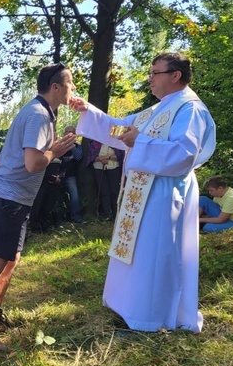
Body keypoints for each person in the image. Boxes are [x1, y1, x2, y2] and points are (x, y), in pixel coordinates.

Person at [71, 52, 216, 333]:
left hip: (166, 192)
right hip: (143, 192)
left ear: (175, 76)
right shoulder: (157, 109)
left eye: (155, 73)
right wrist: (87, 110)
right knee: (138, 249)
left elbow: (185, 154)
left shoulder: (190, 109)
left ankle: (154, 316)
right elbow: (121, 126)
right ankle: (131, 306)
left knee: (158, 250)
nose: (149, 78)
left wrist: (143, 140)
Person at [0, 63, 78, 351]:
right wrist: (56, 151)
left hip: (13, 198)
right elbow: (33, 163)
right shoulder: (39, 115)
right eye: (71, 83)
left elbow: (37, 151)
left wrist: (56, 145)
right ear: (56, 87)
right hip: (8, 199)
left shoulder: (42, 113)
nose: (73, 89)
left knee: (10, 258)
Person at [87, 139, 125, 220]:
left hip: (114, 167)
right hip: (99, 167)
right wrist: (101, 159)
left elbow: (120, 155)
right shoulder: (95, 141)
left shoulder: (116, 141)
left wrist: (109, 157)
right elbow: (91, 156)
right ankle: (107, 214)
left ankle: (116, 214)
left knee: (115, 191)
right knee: (104, 191)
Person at [60, 126, 83, 223]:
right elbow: (59, 159)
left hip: (70, 176)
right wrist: (69, 158)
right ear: (64, 134)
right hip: (57, 174)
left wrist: (71, 145)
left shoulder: (77, 146)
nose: (69, 134)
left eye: (72, 132)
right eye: (67, 132)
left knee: (74, 196)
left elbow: (78, 157)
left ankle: (76, 218)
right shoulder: (59, 145)